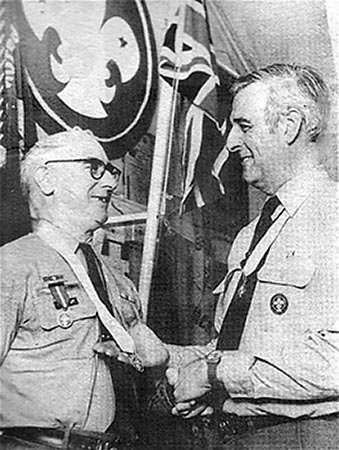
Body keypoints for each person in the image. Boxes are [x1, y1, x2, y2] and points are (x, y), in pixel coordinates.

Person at [164, 64, 339, 449]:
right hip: (235, 435)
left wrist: (216, 374)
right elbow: (240, 348)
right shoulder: (250, 236)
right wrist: (172, 359)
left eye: (245, 126)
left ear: (290, 125)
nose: (231, 143)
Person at [0, 128, 168, 449]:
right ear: (47, 179)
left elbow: (154, 362)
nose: (109, 183)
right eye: (93, 168)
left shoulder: (117, 282)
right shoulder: (12, 267)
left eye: (110, 171)